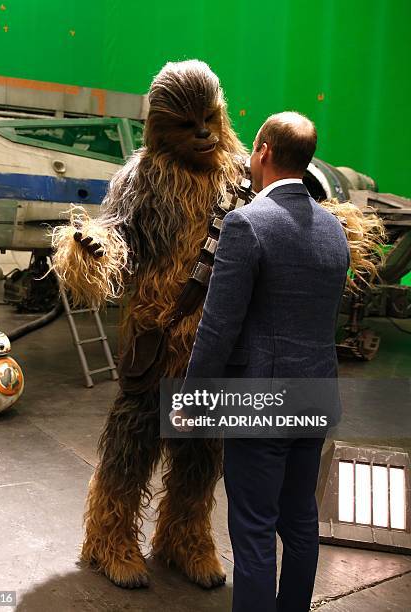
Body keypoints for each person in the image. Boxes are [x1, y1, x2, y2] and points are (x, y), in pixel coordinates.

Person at [176, 111, 350, 611]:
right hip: (315, 398)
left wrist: (191, 399)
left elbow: (218, 325)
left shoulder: (246, 224)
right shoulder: (334, 230)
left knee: (252, 531)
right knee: (299, 522)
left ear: (264, 151)